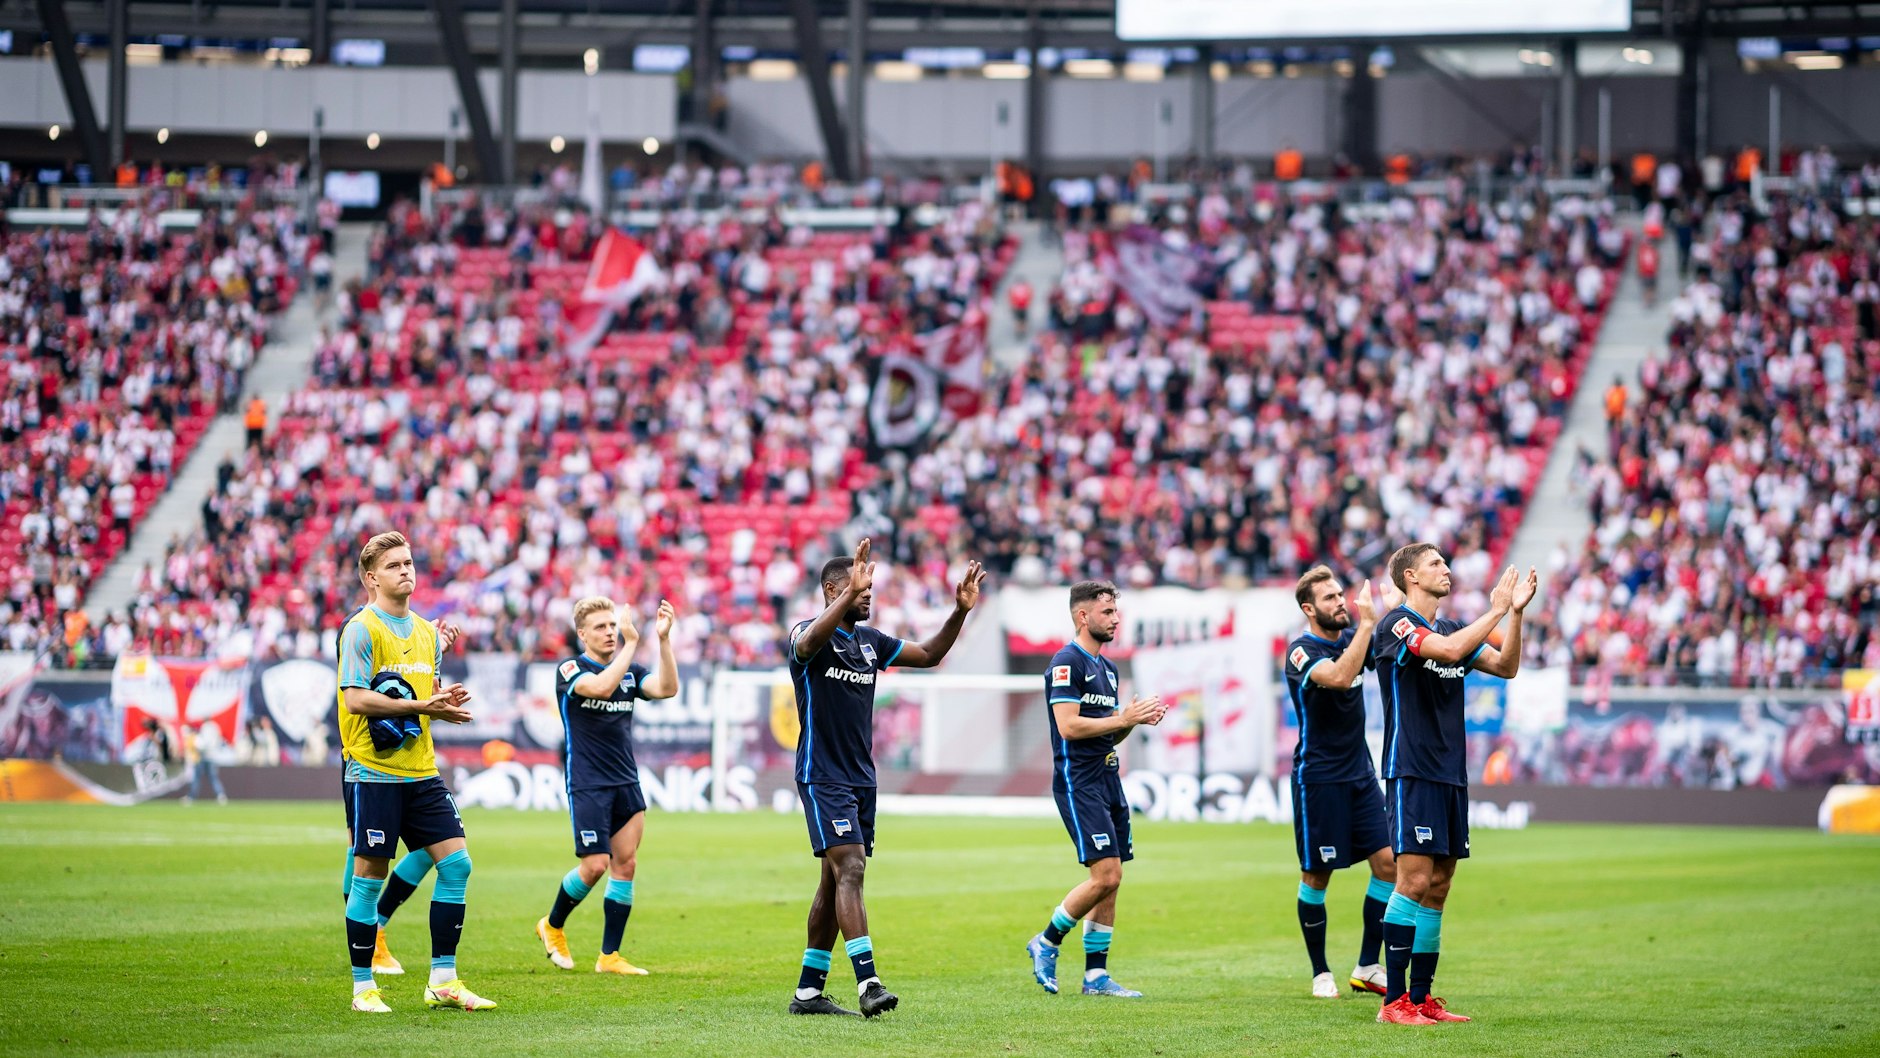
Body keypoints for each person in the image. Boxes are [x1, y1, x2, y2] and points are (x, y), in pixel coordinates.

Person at [785, 539, 986, 1018]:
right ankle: (868, 983)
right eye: (860, 588)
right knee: (851, 867)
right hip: (822, 774)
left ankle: (808, 994)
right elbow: (808, 643)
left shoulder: (871, 643)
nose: (869, 595)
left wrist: (959, 613)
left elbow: (930, 654)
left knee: (833, 881)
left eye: (870, 588)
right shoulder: (807, 635)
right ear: (835, 589)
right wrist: (842, 598)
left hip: (860, 778)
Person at [1371, 544, 1537, 1025]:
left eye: (1445, 563)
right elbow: (1444, 651)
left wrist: (1516, 616)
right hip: (1412, 770)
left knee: (1439, 887)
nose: (1446, 569)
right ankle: (1393, 1003)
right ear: (1410, 576)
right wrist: (1495, 610)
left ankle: (1422, 1000)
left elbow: (1506, 666)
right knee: (1413, 881)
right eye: (1435, 564)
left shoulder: (1451, 629)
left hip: (1450, 774)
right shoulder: (1397, 624)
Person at [336, 530, 493, 1014]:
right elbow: (356, 697)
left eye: (408, 563)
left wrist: (441, 701)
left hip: (422, 771)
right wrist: (426, 705)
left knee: (457, 863)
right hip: (373, 772)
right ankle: (364, 986)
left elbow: (429, 692)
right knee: (368, 878)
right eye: (394, 565)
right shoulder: (362, 629)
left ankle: (442, 980)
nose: (406, 570)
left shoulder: (427, 632)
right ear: (371, 578)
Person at [1025, 580, 1165, 999]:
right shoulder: (1067, 662)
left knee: (1113, 878)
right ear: (1083, 616)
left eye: (1117, 612)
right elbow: (1069, 727)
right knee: (1107, 874)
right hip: (1078, 781)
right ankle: (1046, 941)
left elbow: (1108, 734)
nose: (1116, 618)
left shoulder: (1108, 668)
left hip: (1107, 776)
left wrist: (1131, 721)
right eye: (1107, 612)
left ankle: (1095, 977)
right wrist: (1123, 717)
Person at [536, 597, 680, 976]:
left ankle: (609, 956)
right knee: (595, 865)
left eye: (613, 626)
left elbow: (667, 688)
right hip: (588, 782)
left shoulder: (630, 672)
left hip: (626, 780)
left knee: (626, 864)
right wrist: (632, 643)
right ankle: (552, 925)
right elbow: (600, 687)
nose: (610, 632)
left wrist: (663, 640)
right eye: (600, 627)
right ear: (582, 634)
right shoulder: (570, 670)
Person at [1284, 567, 1398, 999]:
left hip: (1360, 774)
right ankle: (1320, 971)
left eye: (1340, 594)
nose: (1340, 602)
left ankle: (1368, 965)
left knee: (1389, 864)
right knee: (1317, 875)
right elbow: (1335, 677)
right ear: (1309, 609)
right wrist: (1367, 626)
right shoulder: (1300, 650)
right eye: (1330, 598)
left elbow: (1383, 653)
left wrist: (1390, 613)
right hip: (1319, 778)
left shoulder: (1356, 639)